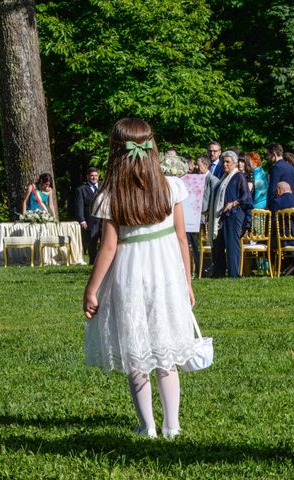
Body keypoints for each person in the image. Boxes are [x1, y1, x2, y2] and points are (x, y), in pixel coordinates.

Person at [83, 118, 200, 440]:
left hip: (130, 274)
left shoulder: (110, 195)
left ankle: (148, 425)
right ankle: (172, 425)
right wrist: (187, 281)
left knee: (137, 351)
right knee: (166, 352)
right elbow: (181, 239)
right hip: (166, 273)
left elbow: (108, 247)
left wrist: (91, 290)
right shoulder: (170, 186)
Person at [210, 151, 252, 278]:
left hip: (234, 215)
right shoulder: (223, 177)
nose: (225, 164)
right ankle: (218, 273)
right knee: (218, 245)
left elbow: (246, 196)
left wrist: (233, 203)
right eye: (223, 161)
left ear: (234, 163)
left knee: (232, 246)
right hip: (222, 216)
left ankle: (234, 275)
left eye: (228, 161)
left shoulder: (238, 176)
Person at [271, 181, 294, 275]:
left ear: (278, 191)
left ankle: (282, 268)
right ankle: (291, 267)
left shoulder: (277, 202)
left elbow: (274, 223)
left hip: (283, 240)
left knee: (268, 243)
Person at [74, 167, 102, 264]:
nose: (94, 177)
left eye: (95, 175)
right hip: (90, 220)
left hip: (104, 219)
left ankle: (103, 262)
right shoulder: (81, 189)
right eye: (92, 176)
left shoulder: (104, 187)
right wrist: (82, 220)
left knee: (105, 240)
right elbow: (79, 205)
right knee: (92, 242)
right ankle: (93, 262)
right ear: (87, 177)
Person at [266, 143, 294, 210]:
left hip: (278, 206)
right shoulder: (291, 167)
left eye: (268, 154)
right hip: (290, 204)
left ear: (274, 154)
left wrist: (269, 206)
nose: (267, 157)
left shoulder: (276, 167)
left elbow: (272, 190)